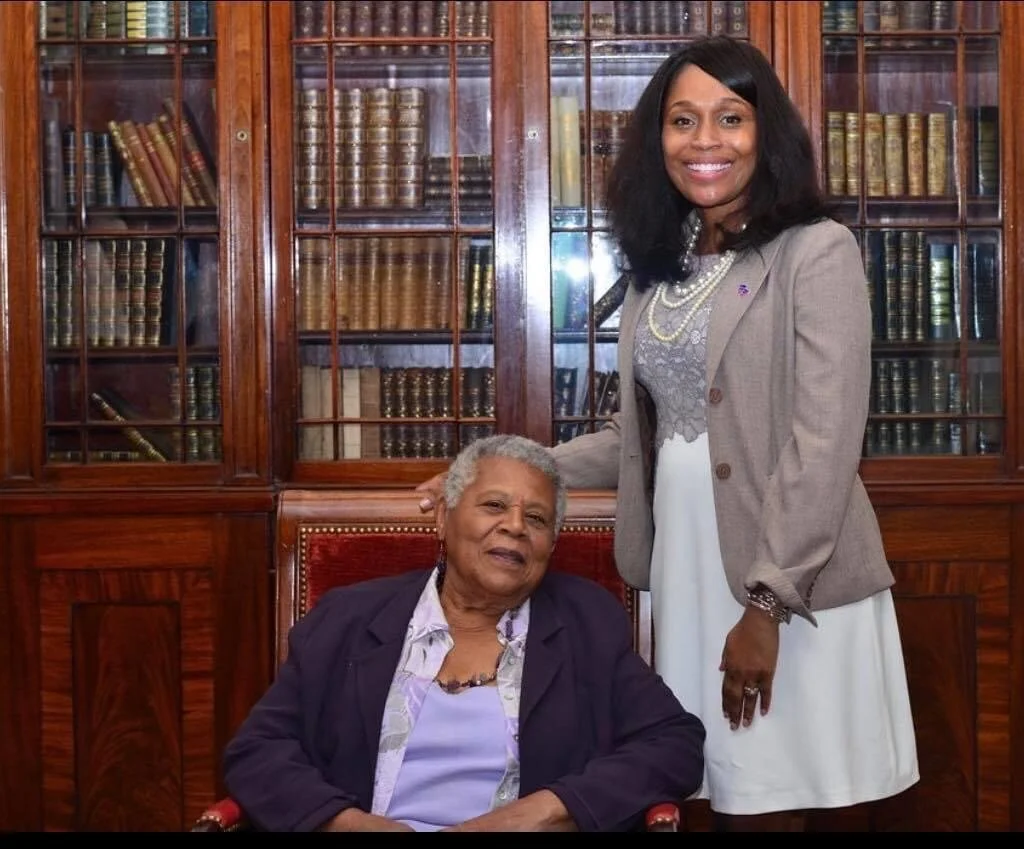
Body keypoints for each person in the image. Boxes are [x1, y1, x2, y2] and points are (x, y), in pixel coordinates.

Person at [418, 36, 919, 832]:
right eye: (683, 120)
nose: (705, 140)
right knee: (715, 788)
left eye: (730, 117)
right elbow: (646, 431)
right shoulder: (667, 262)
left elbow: (823, 439)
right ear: (658, 139)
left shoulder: (815, 251)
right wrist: (502, 467)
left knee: (774, 792)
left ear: (768, 132)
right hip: (685, 562)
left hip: (788, 574)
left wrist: (765, 604)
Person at [223, 433, 706, 832]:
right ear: (442, 517)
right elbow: (257, 751)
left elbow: (673, 744)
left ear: (550, 544)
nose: (515, 527)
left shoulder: (586, 622)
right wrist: (344, 823)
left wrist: (541, 811)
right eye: (494, 505)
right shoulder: (348, 618)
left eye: (535, 518)